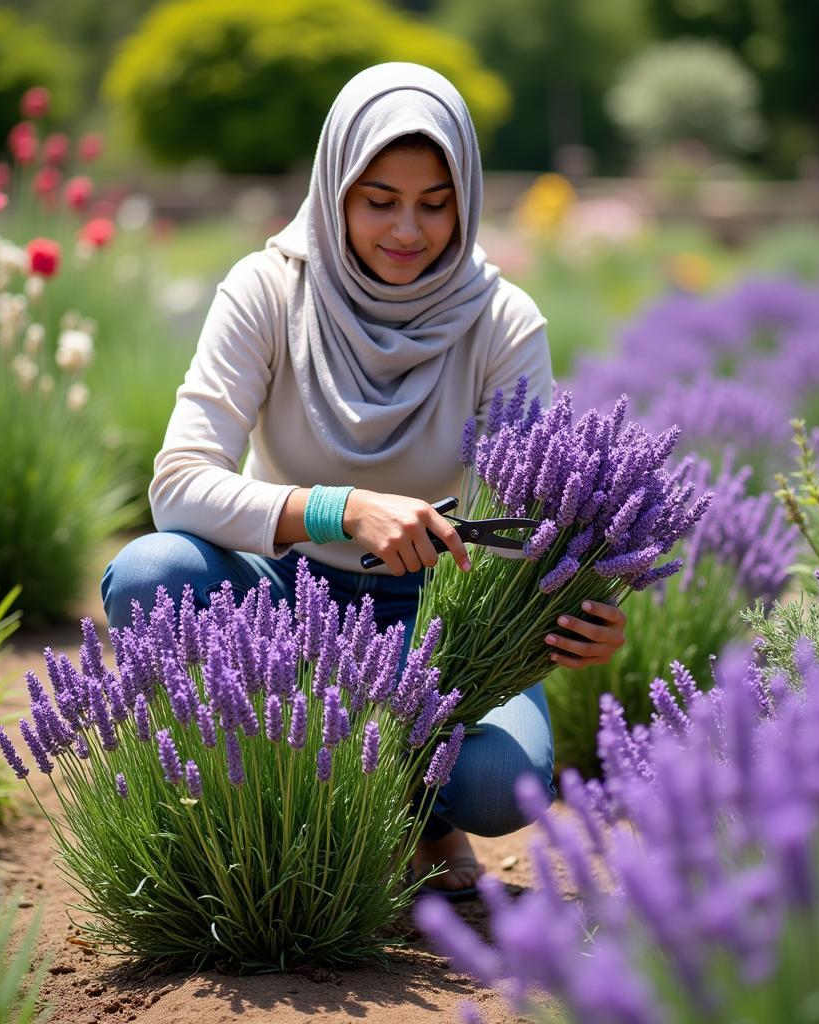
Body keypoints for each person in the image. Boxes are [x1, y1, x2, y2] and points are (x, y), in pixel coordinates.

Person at [101, 63, 626, 899]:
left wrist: (577, 617)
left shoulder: (503, 322)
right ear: (335, 188)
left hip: (440, 625)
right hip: (279, 603)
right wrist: (340, 510)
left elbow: (532, 522)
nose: (408, 229)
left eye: (435, 201)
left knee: (503, 781)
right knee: (150, 576)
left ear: (466, 199)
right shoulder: (267, 291)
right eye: (379, 200)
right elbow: (178, 482)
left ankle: (418, 818)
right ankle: (290, 812)